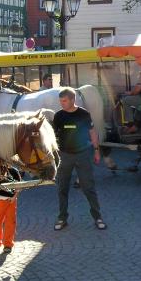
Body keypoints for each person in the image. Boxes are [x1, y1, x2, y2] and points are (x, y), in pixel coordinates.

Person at [53, 88, 106, 231]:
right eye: (60, 101)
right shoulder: (58, 116)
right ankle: (62, 218)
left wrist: (96, 151)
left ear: (72, 100)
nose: (62, 104)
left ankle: (98, 217)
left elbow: (92, 132)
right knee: (62, 188)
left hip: (83, 154)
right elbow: (53, 136)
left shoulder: (84, 114)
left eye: (64, 101)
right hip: (65, 156)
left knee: (88, 187)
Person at [0, 170, 21, 254]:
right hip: (0, 199)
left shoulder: (14, 171)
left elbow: (19, 186)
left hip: (11, 200)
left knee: (10, 222)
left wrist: (14, 197)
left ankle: (8, 244)